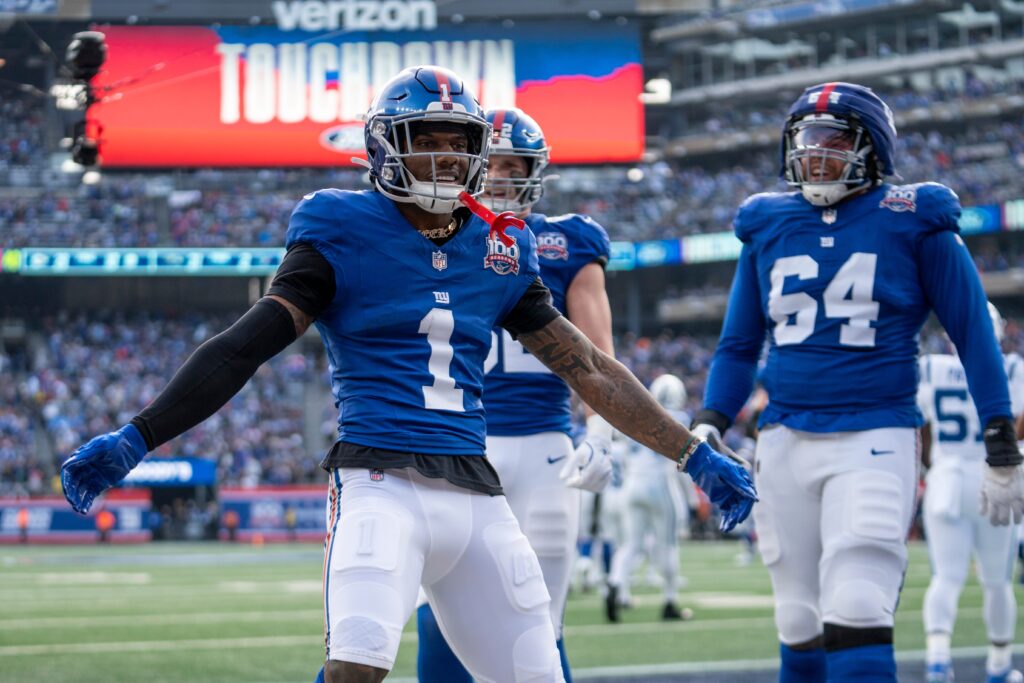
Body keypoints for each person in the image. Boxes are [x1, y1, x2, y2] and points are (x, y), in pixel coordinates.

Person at [60, 65, 756, 683]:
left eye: (460, 142)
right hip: (378, 482)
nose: (448, 156)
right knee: (357, 663)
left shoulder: (502, 246)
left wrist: (692, 454)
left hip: (478, 493)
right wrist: (137, 436)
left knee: (537, 671)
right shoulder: (340, 226)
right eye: (429, 137)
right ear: (386, 144)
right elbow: (244, 347)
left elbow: (589, 366)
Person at [690, 82, 1024, 683]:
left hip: (875, 434)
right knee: (798, 621)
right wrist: (711, 421)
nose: (816, 152)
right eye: (806, 138)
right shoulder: (767, 222)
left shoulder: (914, 218)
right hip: (784, 440)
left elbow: (973, 333)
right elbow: (739, 343)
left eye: (833, 138)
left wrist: (1000, 432)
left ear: (872, 147)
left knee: (858, 605)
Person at [414, 106, 615, 683]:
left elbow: (597, 359)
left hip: (544, 448)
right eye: (492, 163)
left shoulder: (568, 242)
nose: (501, 176)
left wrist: (601, 434)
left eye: (512, 164)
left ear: (534, 170)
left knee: (541, 623)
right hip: (457, 441)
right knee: (442, 613)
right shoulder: (435, 236)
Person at [918, 303, 1024, 683]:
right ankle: (997, 667)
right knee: (997, 581)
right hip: (993, 477)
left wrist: (929, 465)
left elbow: (918, 425)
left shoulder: (930, 368)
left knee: (945, 578)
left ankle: (937, 662)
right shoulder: (1012, 367)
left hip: (946, 479)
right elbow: (1019, 424)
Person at [606, 374, 696, 623]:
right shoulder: (680, 417)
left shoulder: (636, 413)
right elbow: (683, 460)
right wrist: (692, 501)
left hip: (632, 485)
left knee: (631, 544)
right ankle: (669, 601)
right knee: (667, 543)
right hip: (660, 484)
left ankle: (615, 583)